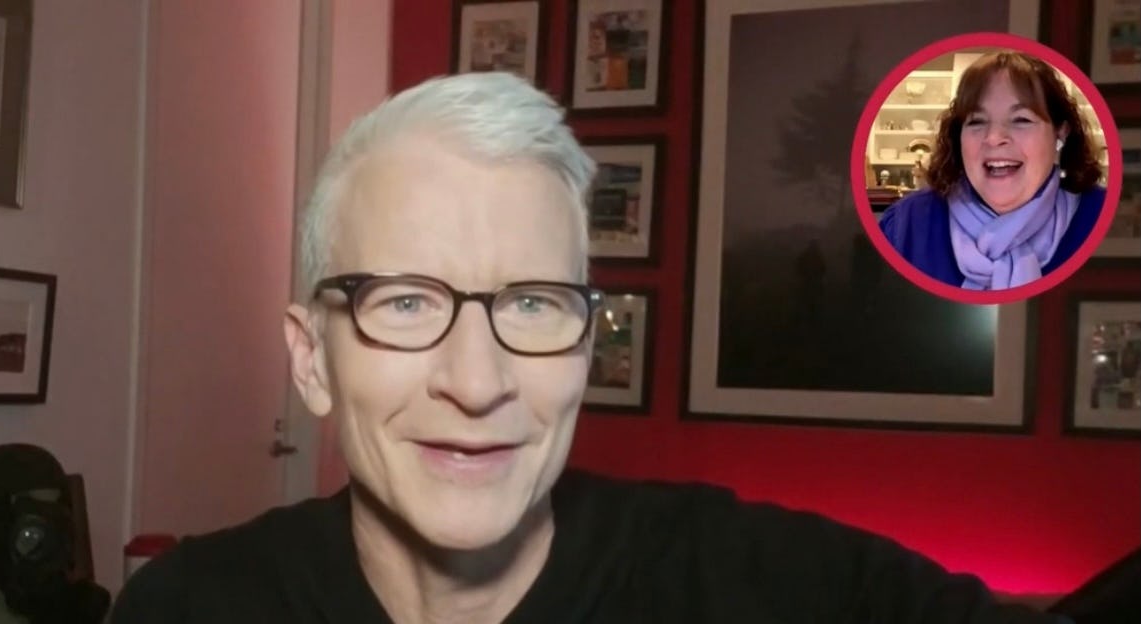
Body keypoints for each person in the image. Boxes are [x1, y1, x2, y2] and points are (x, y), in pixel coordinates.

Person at [109, 72, 1072, 623]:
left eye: (530, 304)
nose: (477, 382)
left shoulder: (761, 589)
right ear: (310, 357)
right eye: (403, 303)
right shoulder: (190, 611)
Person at [879, 50, 1106, 291]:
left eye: (1021, 120)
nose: (995, 138)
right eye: (977, 121)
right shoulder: (906, 226)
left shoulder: (1102, 218)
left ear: (1060, 133)